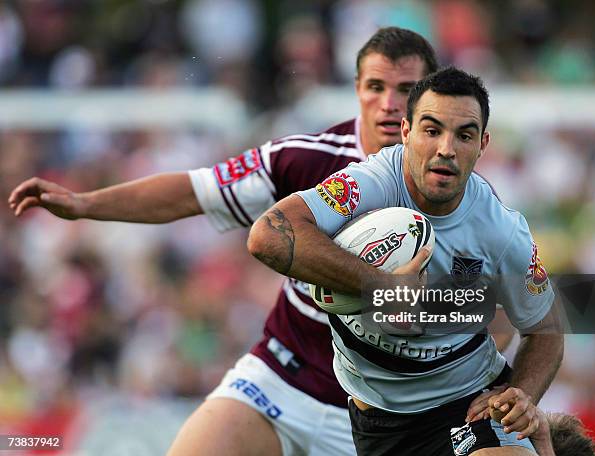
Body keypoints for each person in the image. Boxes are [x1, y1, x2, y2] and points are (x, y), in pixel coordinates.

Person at [8, 28, 441, 456]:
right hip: (281, 380)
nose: (387, 104)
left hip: (380, 416)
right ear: (356, 89)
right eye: (375, 87)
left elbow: (490, 311)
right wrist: (86, 203)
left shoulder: (464, 197)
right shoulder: (306, 158)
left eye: (405, 89)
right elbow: (191, 192)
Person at [247, 67, 564, 455]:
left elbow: (546, 327)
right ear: (405, 132)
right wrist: (382, 286)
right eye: (432, 131)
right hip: (377, 423)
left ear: (482, 145)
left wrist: (524, 393)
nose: (446, 148)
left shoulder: (502, 230)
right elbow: (267, 235)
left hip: (469, 406)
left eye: (463, 135)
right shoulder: (369, 185)